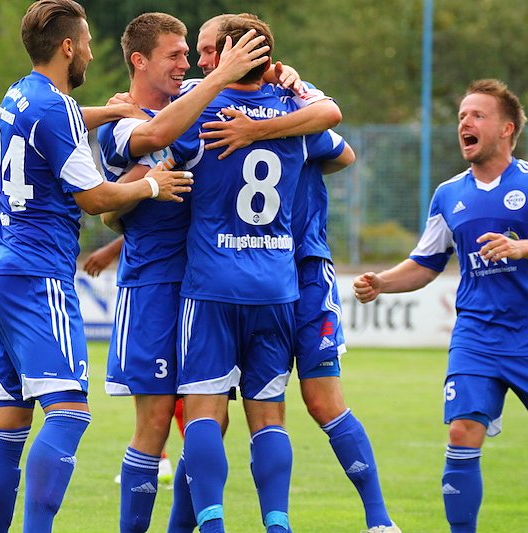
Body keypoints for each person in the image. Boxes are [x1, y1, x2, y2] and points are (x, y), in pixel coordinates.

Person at [0, 2, 197, 532]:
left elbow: (61, 121)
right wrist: (151, 185)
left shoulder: (21, 94)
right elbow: (95, 199)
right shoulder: (54, 110)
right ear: (68, 47)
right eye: (90, 42)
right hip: (38, 274)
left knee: (7, 426)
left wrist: (112, 113)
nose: (94, 53)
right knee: (70, 412)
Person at [197, 52, 401, 533]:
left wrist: (281, 120)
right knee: (231, 411)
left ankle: (379, 519)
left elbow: (343, 147)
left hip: (302, 267)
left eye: (208, 49)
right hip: (266, 271)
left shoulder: (285, 105)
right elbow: (343, 148)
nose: (201, 59)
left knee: (319, 401)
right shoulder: (269, 107)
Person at [163, 15, 352, 533]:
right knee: (267, 415)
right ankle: (277, 524)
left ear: (233, 51)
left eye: (206, 50)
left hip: (212, 283)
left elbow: (151, 141)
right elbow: (339, 136)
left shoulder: (202, 110)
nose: (200, 62)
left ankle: (213, 525)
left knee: (202, 410)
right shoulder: (297, 111)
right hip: (276, 285)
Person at [353, 79, 528, 533]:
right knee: (462, 432)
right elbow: (426, 262)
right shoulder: (448, 194)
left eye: (477, 115)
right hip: (477, 337)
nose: (464, 122)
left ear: (506, 129)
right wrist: (382, 282)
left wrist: (524, 248)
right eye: (462, 116)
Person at [93, 12, 272, 533]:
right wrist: (139, 189)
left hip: (210, 287)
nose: (187, 63)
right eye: (175, 54)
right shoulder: (120, 121)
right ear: (139, 60)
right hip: (152, 287)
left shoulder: (194, 99)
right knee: (153, 423)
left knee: (212, 422)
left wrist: (284, 78)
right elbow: (151, 140)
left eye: (189, 53)